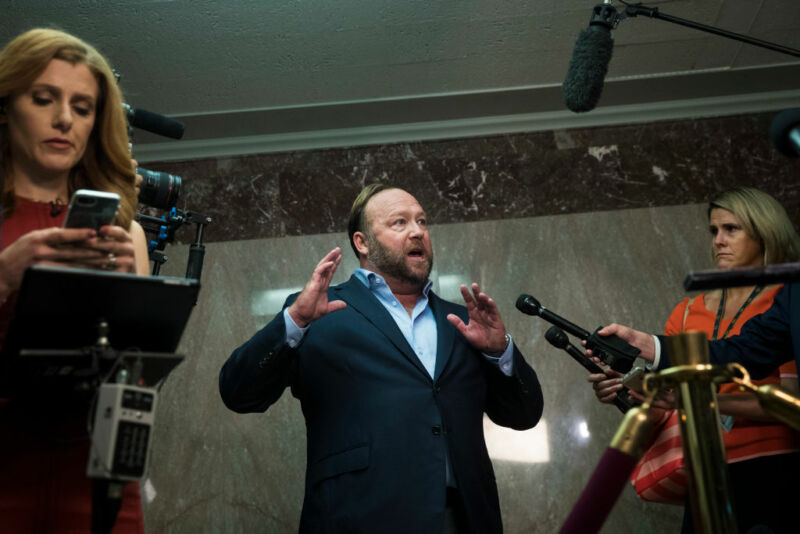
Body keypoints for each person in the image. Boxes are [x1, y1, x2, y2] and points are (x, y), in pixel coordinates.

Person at [219, 183, 544, 534]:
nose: (418, 231)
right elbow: (239, 393)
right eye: (399, 223)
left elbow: (524, 416)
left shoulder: (464, 321)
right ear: (362, 242)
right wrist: (294, 321)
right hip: (358, 515)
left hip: (463, 518)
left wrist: (499, 351)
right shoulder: (320, 311)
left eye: (422, 221)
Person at [0, 28, 149, 533]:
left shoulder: (126, 233)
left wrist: (134, 305)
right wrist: (3, 276)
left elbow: (140, 376)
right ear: (6, 107)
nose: (64, 118)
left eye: (82, 107)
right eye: (43, 99)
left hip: (99, 483)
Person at [589, 188, 800, 533]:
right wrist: (628, 392)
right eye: (714, 231)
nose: (719, 240)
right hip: (702, 471)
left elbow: (792, 401)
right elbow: (667, 410)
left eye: (731, 229)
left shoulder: (785, 298)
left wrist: (705, 400)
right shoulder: (688, 311)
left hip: (773, 468)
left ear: (766, 232)